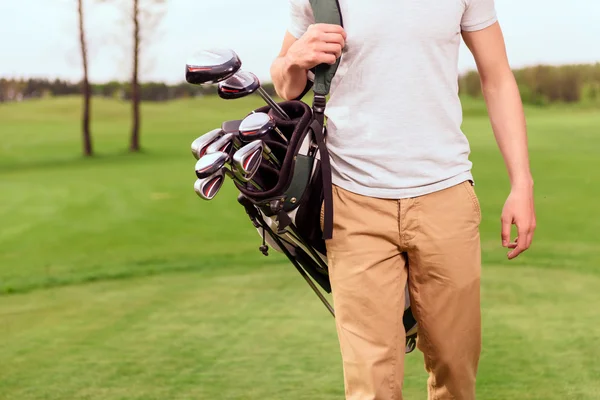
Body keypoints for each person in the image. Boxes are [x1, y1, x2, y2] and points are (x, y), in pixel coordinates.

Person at [270, 0, 536, 399]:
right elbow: (285, 83)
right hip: (351, 201)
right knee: (370, 385)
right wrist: (294, 60)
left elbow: (496, 78)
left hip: (445, 194)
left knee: (455, 369)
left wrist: (523, 183)